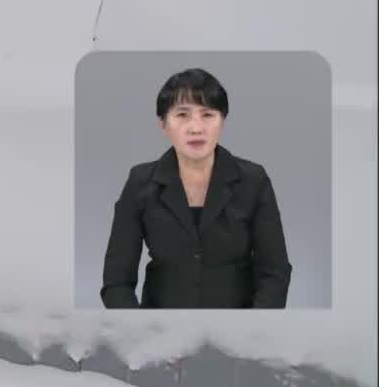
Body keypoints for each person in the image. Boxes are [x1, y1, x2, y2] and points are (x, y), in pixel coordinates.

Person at [100, 68, 291, 308]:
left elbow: (275, 272)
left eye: (207, 115)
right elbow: (116, 281)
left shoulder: (254, 180)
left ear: (222, 121)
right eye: (182, 115)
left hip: (240, 332)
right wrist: (138, 334)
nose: (196, 128)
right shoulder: (140, 182)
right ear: (163, 124)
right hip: (158, 332)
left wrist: (253, 330)